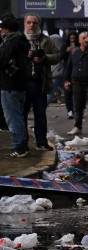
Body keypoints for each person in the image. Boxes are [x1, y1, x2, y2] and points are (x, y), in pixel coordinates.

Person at [22, 14, 60, 151]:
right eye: (29, 22)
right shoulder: (20, 39)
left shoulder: (45, 40)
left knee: (40, 114)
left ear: (39, 25)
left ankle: (41, 142)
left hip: (40, 83)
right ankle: (22, 143)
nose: (31, 25)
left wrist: (44, 58)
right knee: (22, 115)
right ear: (25, 24)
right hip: (23, 84)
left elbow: (57, 56)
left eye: (34, 23)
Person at [0, 15, 31, 158]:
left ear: (6, 29)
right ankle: (22, 145)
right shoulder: (22, 40)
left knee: (13, 117)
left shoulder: (10, 42)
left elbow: (2, 60)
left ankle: (19, 147)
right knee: (18, 115)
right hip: (20, 84)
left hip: (10, 84)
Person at [64, 31, 88, 137]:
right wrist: (66, 80)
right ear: (80, 40)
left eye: (87, 37)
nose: (86, 40)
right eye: (83, 38)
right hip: (76, 83)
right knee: (77, 106)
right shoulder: (74, 52)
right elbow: (69, 66)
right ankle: (77, 126)